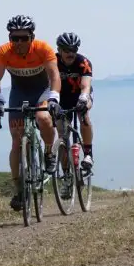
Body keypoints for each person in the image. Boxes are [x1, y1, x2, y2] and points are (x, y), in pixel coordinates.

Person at [0, 15, 61, 211]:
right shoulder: (4, 51)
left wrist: (54, 98)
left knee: (43, 117)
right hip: (19, 93)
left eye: (23, 38)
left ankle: (48, 153)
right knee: (16, 138)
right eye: (15, 38)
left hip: (42, 91)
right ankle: (19, 189)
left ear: (32, 36)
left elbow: (54, 75)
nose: (19, 42)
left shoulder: (42, 49)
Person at [55, 32, 95, 197]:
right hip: (61, 99)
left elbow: (86, 86)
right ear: (59, 49)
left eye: (74, 49)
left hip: (80, 95)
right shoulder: (53, 62)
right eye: (66, 49)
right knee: (62, 136)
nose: (70, 53)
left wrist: (84, 98)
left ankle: (88, 154)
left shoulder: (83, 62)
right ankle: (66, 177)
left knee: (84, 116)